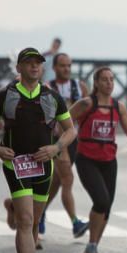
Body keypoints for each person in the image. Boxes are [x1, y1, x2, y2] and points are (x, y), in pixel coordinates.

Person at [0, 48, 76, 253]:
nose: (34, 67)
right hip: (16, 163)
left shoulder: (52, 97)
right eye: (29, 63)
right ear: (19, 68)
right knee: (25, 220)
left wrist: (56, 147)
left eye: (38, 63)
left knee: (34, 222)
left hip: (43, 165)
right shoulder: (6, 96)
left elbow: (70, 130)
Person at [70, 67, 127, 253]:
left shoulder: (118, 106)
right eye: (104, 80)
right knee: (101, 200)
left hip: (109, 161)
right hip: (86, 158)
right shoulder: (86, 104)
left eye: (112, 79)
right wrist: (60, 141)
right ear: (96, 83)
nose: (109, 83)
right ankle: (92, 246)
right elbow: (65, 120)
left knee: (107, 207)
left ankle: (92, 246)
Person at [41, 52, 90, 240]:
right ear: (54, 68)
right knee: (68, 178)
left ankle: (41, 211)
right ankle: (75, 222)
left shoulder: (80, 87)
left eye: (69, 65)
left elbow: (88, 109)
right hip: (55, 140)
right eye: (62, 65)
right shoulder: (47, 88)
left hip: (73, 140)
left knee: (57, 180)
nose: (67, 69)